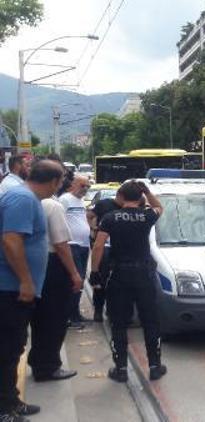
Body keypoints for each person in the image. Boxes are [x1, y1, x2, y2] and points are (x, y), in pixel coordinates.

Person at [0, 160, 64, 422]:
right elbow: (11, 240)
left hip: (16, 288)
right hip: (10, 288)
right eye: (60, 182)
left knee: (14, 348)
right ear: (53, 181)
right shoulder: (23, 199)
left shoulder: (28, 198)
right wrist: (26, 281)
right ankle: (4, 410)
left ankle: (12, 400)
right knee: (7, 349)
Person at [90, 180, 166, 383]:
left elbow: (98, 246)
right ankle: (155, 366)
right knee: (150, 321)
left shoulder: (110, 217)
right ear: (140, 197)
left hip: (120, 275)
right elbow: (159, 207)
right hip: (144, 275)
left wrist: (94, 272)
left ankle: (121, 369)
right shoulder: (147, 216)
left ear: (121, 197)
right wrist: (148, 192)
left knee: (119, 323)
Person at [28, 196, 83, 382]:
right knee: (55, 318)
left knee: (41, 317)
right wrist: (74, 273)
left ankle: (38, 361)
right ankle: (48, 366)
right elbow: (60, 243)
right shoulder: (53, 205)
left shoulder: (30, 201)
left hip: (38, 263)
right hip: (54, 264)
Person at [59, 175, 92, 327]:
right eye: (82, 186)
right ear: (74, 184)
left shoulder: (80, 201)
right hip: (72, 244)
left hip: (83, 245)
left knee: (81, 279)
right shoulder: (65, 199)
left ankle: (75, 313)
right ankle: (69, 316)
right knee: (75, 280)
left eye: (87, 187)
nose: (85, 189)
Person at [86, 192, 123, 322]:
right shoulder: (104, 204)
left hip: (120, 248)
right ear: (120, 195)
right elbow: (89, 215)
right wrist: (93, 228)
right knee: (100, 280)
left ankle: (113, 311)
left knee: (117, 283)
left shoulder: (131, 206)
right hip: (105, 246)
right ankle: (98, 310)